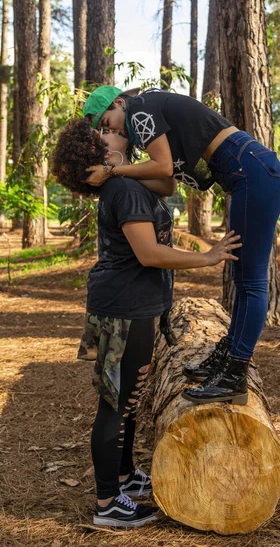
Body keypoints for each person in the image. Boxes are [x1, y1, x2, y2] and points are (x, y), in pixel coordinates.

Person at [52, 118, 241, 528]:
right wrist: (207, 257)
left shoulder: (123, 182)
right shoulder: (123, 190)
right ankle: (108, 504)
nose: (115, 129)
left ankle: (122, 477)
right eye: (105, 131)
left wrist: (131, 161)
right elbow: (149, 254)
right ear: (98, 152)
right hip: (125, 306)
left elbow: (168, 179)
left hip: (129, 303)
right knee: (116, 404)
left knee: (129, 398)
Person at [82, 86, 280, 406]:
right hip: (247, 173)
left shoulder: (140, 109)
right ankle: (228, 357)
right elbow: (167, 184)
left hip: (252, 171)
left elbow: (164, 167)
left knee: (251, 281)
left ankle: (235, 373)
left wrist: (113, 170)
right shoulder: (139, 120)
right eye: (104, 130)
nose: (112, 131)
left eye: (108, 122)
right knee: (242, 278)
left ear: (119, 103)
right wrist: (114, 175)